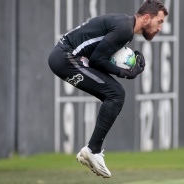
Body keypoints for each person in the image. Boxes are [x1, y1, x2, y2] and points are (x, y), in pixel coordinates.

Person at [48, 0, 168, 178]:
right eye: (159, 22)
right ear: (147, 17)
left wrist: (129, 64)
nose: (159, 28)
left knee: (115, 93)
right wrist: (126, 73)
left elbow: (100, 55)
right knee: (116, 93)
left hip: (67, 57)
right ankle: (92, 150)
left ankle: (92, 150)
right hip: (66, 58)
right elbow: (97, 60)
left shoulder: (126, 28)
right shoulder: (124, 28)